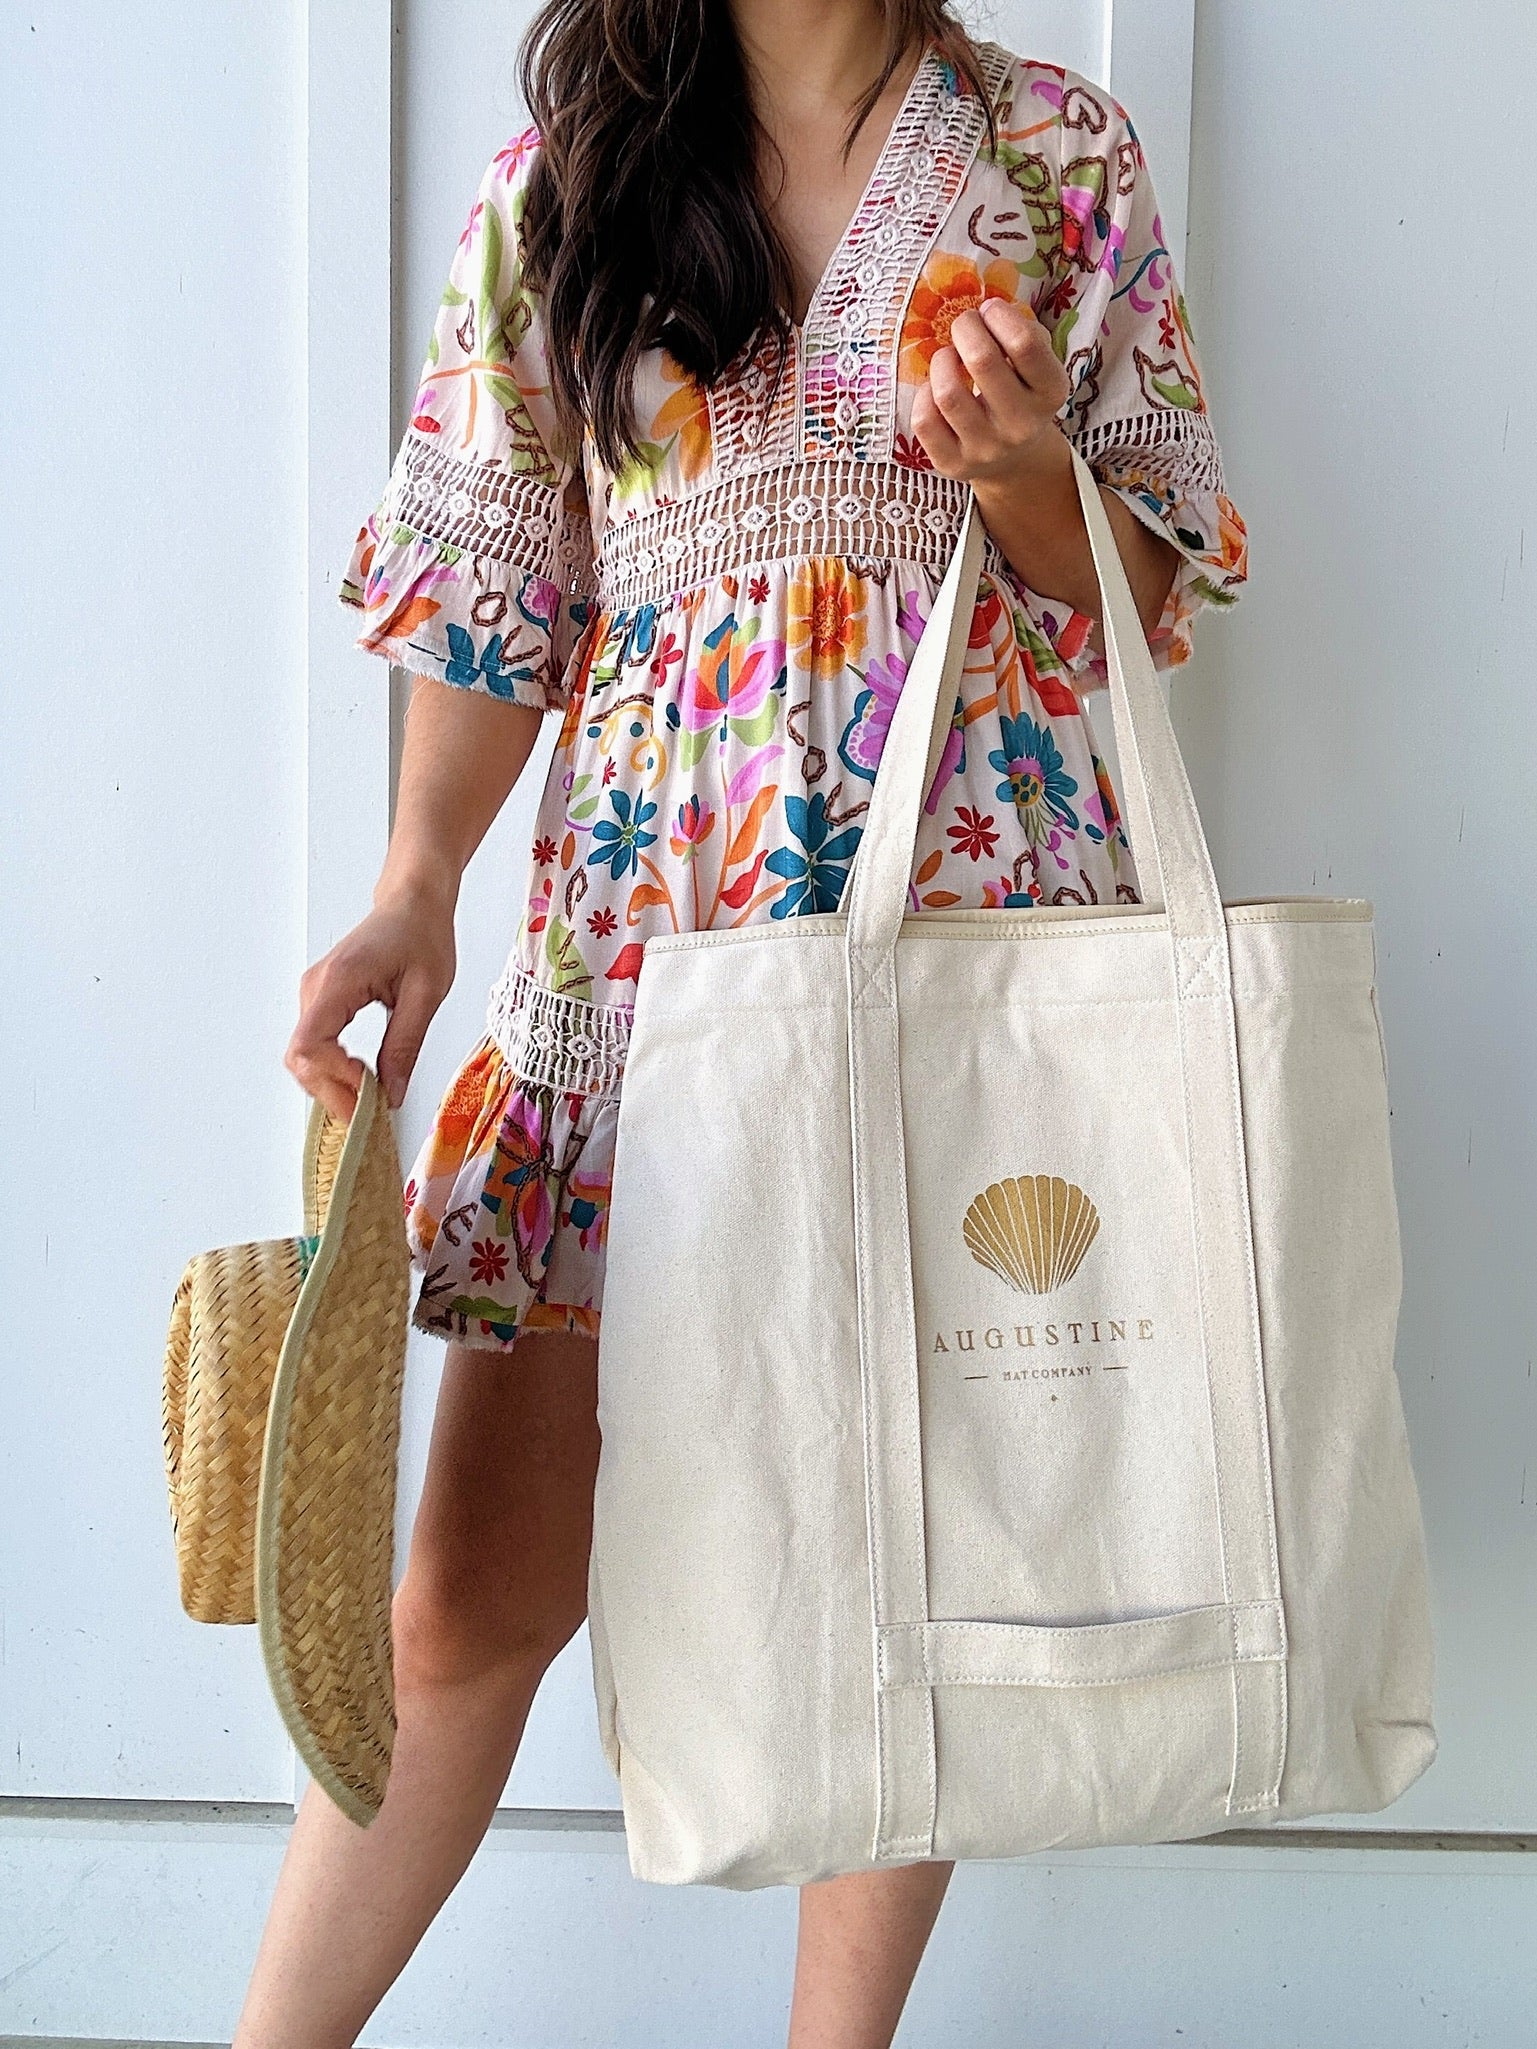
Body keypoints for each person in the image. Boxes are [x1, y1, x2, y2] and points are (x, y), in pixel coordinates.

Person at [237, 0, 1247, 2040]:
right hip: (644, 969)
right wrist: (416, 886)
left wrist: (1026, 469)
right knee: (462, 1600)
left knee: (915, 1591)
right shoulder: (566, 186)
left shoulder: (1054, 153)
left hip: (964, 959)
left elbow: (1138, 596)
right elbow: (496, 594)